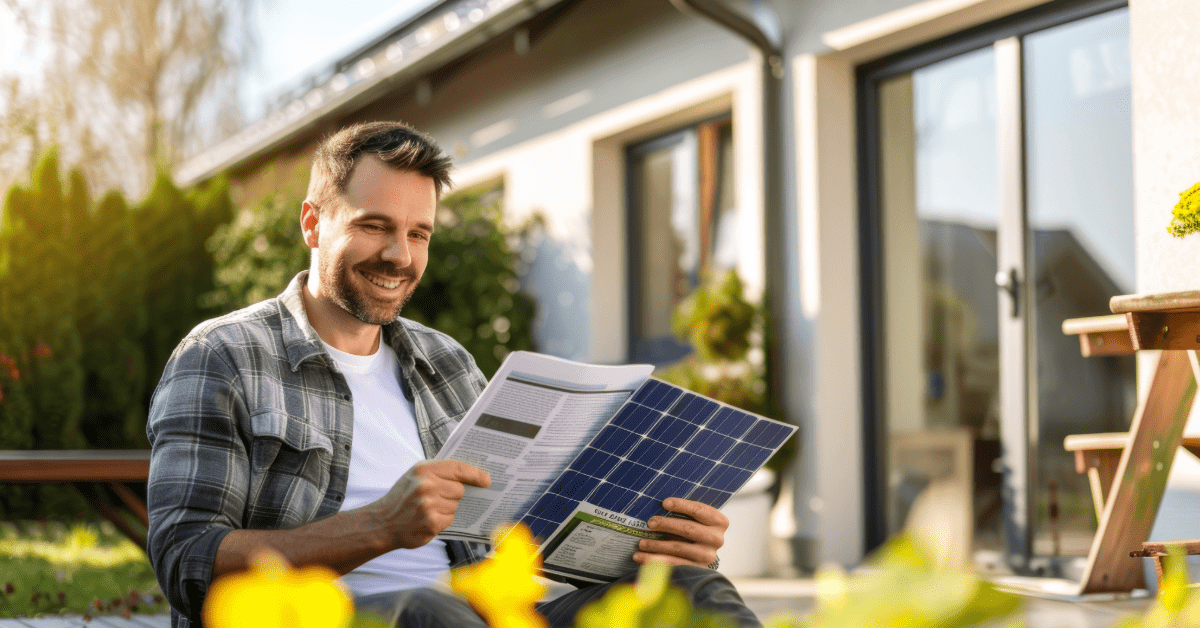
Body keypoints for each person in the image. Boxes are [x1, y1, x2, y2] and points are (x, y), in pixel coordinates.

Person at [145, 121, 761, 628]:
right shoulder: (223, 355)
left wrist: (652, 543)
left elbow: (515, 538)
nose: (401, 256)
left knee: (692, 591)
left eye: (419, 233)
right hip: (327, 619)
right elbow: (185, 559)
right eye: (374, 226)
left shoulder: (444, 363)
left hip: (478, 612)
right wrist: (380, 527)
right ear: (312, 223)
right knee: (428, 612)